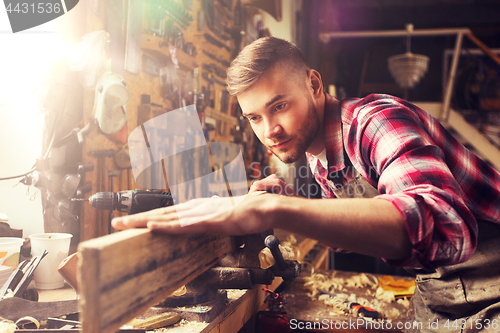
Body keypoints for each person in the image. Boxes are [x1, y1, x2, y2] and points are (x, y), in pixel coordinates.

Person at [112, 37, 500, 332]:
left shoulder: (374, 122)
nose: (270, 131)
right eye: (255, 118)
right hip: (441, 298)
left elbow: (447, 229)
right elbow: (350, 231)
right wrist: (290, 202)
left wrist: (274, 209)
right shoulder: (319, 156)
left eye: (279, 106)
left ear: (314, 84)